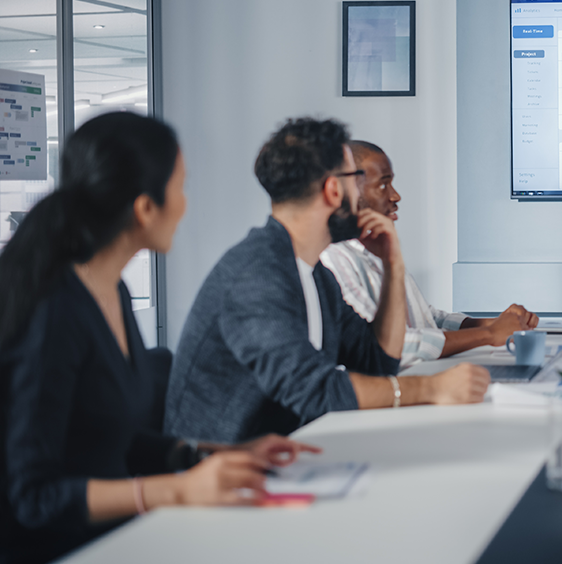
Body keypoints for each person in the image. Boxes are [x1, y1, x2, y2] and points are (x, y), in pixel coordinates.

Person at [0, 112, 317, 564]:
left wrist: (220, 454)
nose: (185, 205)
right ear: (145, 208)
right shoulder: (54, 313)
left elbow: (109, 437)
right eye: (180, 188)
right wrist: (177, 491)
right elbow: (35, 496)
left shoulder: (112, 291)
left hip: (120, 541)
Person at [165, 118, 489, 445]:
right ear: (334, 190)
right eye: (356, 180)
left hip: (291, 453)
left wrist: (392, 264)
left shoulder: (315, 273)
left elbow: (378, 360)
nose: (360, 193)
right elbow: (313, 391)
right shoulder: (257, 275)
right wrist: (432, 388)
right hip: (224, 468)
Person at [320, 141, 539, 366]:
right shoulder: (334, 259)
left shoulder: (376, 248)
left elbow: (425, 318)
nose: (395, 196)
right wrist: (489, 334)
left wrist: (491, 323)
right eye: (383, 185)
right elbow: (390, 344)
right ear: (344, 191)